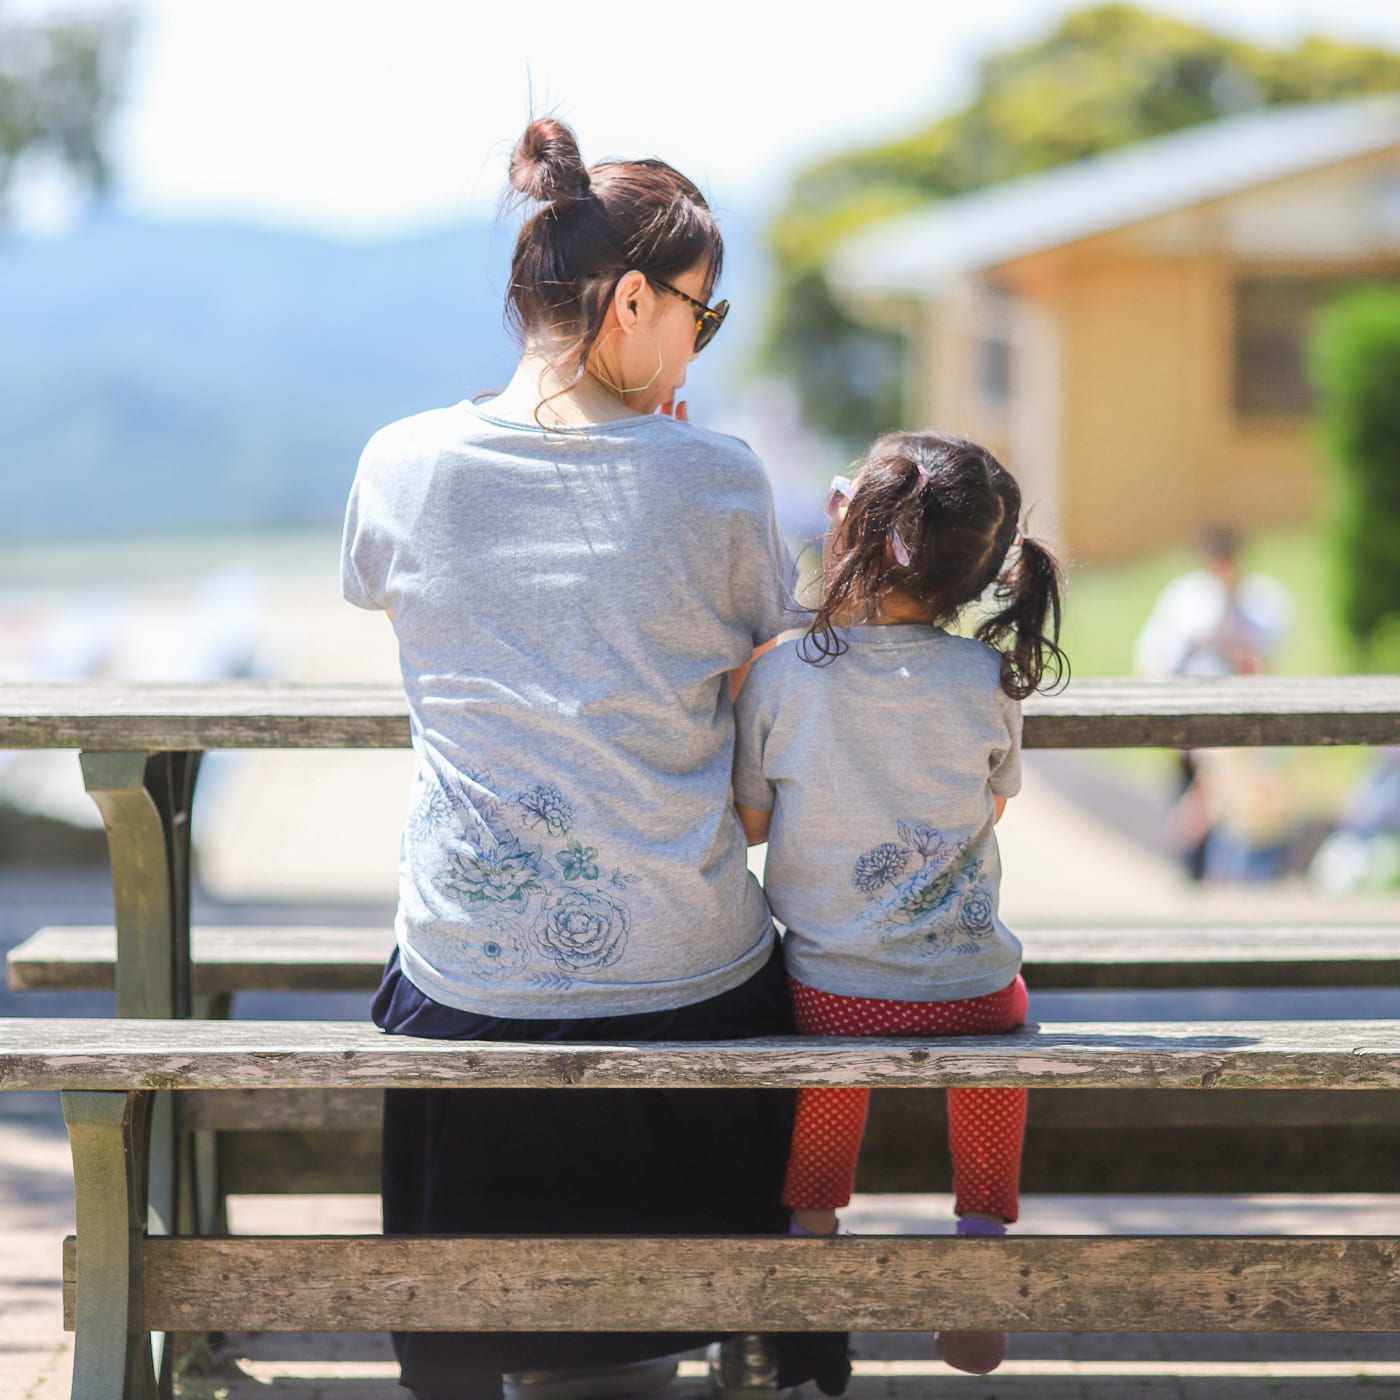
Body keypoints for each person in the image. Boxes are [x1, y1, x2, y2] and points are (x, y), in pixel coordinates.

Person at [341, 117, 849, 1400]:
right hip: (687, 998)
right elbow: (755, 687)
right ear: (632, 300)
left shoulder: (398, 463)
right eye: (700, 314)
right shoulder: (717, 478)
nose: (698, 341)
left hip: (469, 996)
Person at [731, 430, 1067, 1377]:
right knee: (1002, 1047)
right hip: (972, 987)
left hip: (832, 991)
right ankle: (978, 1235)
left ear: (856, 526)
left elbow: (752, 825)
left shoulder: (785, 674)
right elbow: (991, 801)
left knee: (832, 1081)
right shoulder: (987, 679)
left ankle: (812, 1233)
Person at [1134, 526, 1293, 879]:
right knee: (1195, 800)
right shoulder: (1185, 598)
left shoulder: (1261, 600)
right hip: (1193, 712)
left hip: (1241, 717)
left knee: (1236, 807)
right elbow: (1158, 655)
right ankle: (1195, 877)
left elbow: (1263, 656)